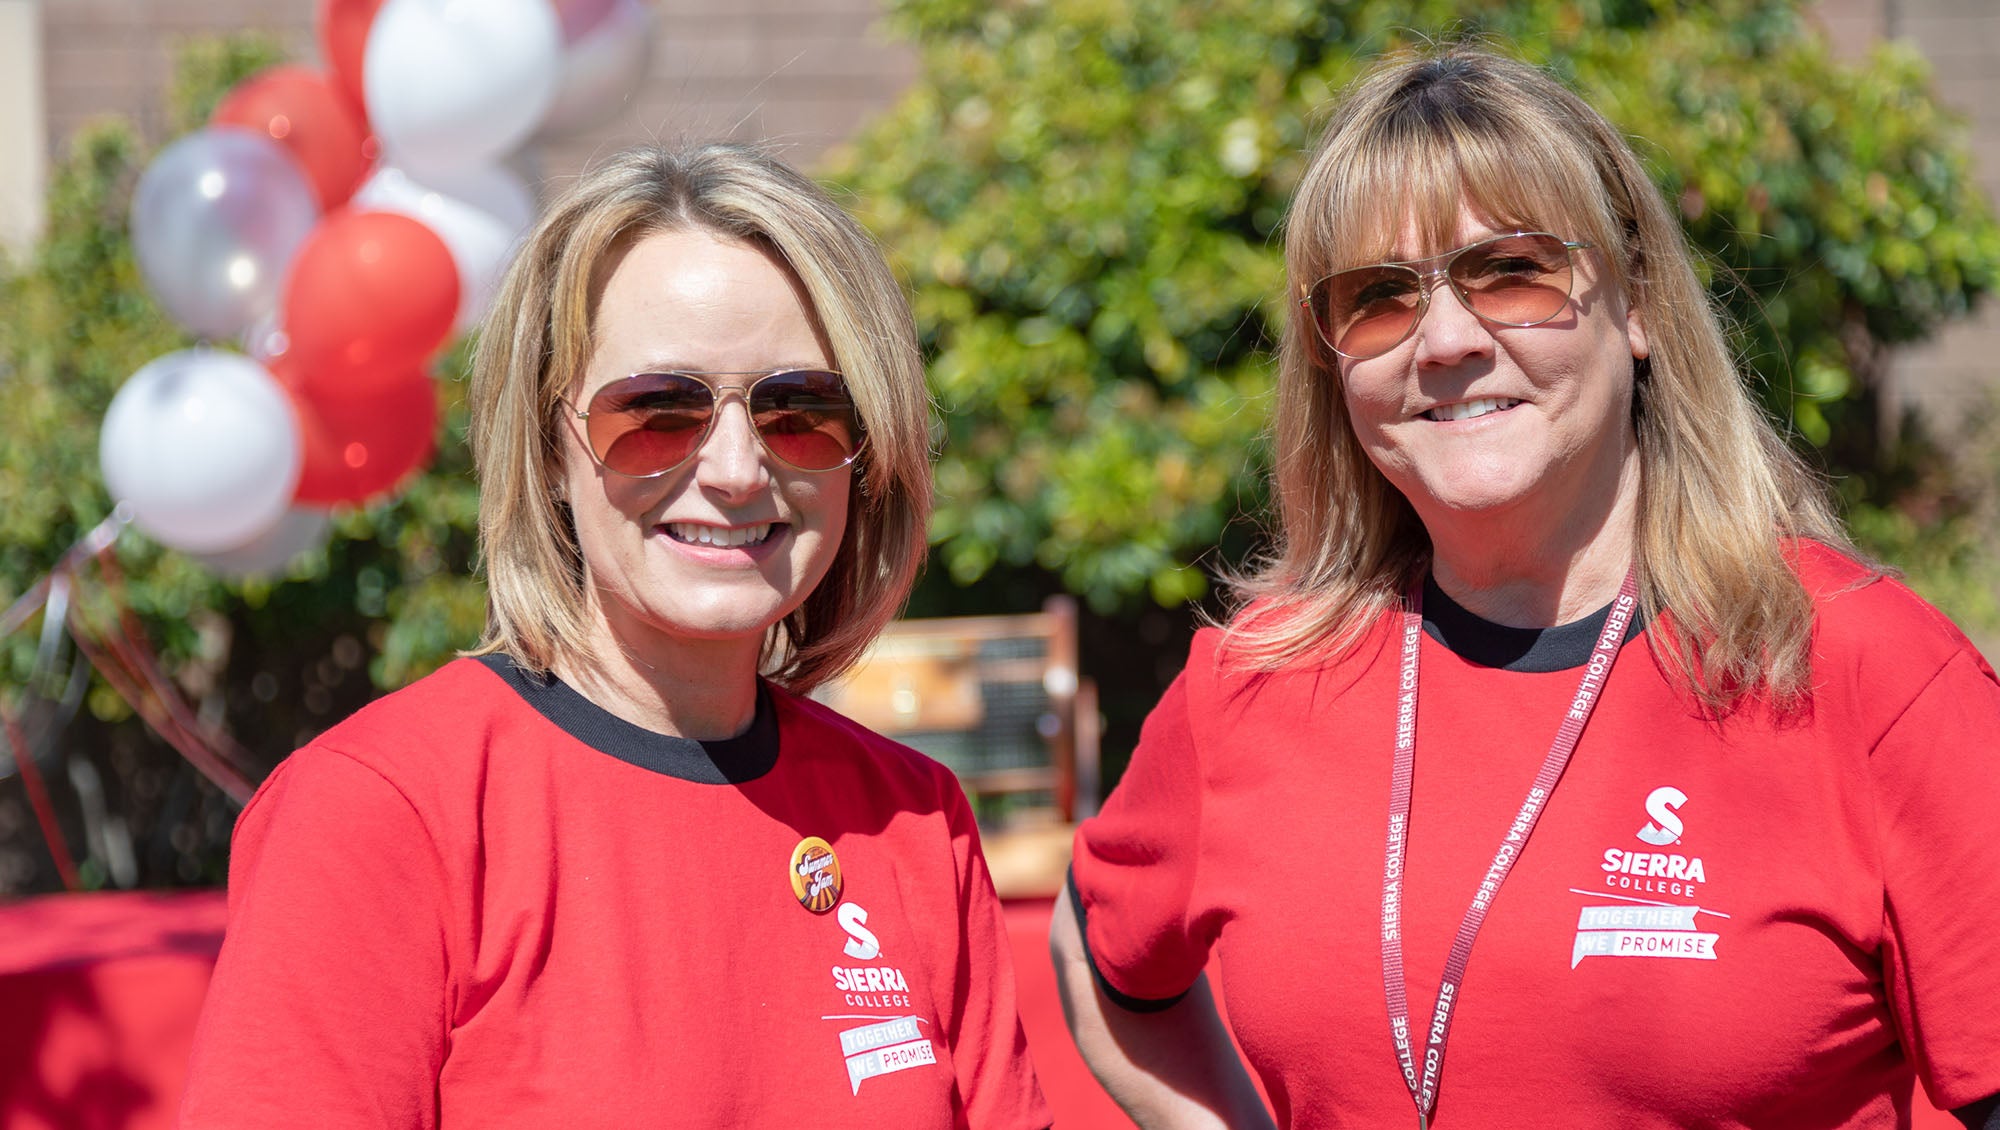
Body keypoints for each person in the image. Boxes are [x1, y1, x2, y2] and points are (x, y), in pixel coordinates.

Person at [1052, 44, 2000, 1130]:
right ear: (1330, 362)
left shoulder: (1859, 665)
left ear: (1635, 305)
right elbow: (1094, 944)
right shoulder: (1257, 677)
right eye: (1377, 298)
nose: (1446, 339)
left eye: (1512, 269)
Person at [181, 142, 1050, 1129]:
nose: (735, 468)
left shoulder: (909, 818)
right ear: (551, 448)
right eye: (657, 411)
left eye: (799, 410)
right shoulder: (383, 812)